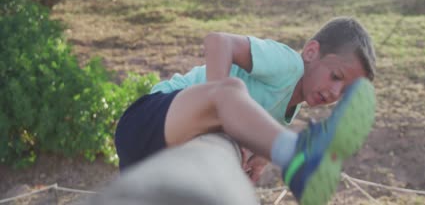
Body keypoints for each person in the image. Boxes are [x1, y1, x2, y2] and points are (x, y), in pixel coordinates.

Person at [114, 16, 377, 204]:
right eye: (335, 76)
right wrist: (214, 95)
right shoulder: (289, 64)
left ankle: (292, 156)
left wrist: (258, 158)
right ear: (311, 52)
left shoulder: (289, 109)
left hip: (163, 157)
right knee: (230, 91)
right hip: (150, 117)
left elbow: (251, 124)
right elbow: (218, 41)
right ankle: (298, 154)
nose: (334, 92)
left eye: (343, 93)